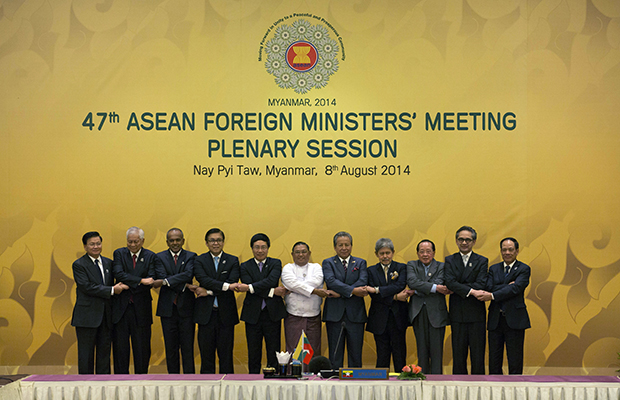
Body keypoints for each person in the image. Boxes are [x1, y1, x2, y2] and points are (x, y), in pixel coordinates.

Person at [71, 231, 128, 374]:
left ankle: (104, 386)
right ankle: (85, 388)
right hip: (86, 317)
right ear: (85, 247)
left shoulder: (109, 262)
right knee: (86, 355)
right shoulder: (79, 264)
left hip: (106, 317)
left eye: (98, 243)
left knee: (104, 354)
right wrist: (112, 290)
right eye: (92, 244)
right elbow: (86, 287)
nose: (96, 247)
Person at [473, 237, 531, 374]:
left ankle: (515, 391)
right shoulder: (494, 268)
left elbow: (516, 288)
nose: (507, 252)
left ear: (517, 251)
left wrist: (493, 295)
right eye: (504, 249)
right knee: (494, 359)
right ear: (500, 251)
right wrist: (507, 285)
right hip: (495, 319)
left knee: (515, 359)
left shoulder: (524, 268)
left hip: (515, 320)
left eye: (510, 249)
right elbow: (488, 287)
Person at [112, 226, 164, 374]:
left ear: (142, 241)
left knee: (142, 349)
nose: (133, 245)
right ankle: (120, 383)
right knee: (120, 350)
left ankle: (142, 380)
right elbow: (119, 274)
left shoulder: (151, 256)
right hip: (121, 309)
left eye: (136, 241)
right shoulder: (119, 253)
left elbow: (153, 278)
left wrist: (130, 283)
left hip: (142, 309)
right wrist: (141, 280)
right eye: (130, 242)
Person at [236, 233, 287, 373]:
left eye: (263, 247)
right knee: (253, 351)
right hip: (252, 315)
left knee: (273, 350)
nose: (260, 250)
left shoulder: (275, 263)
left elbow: (271, 280)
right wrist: (271, 292)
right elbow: (253, 284)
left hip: (273, 314)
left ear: (268, 248)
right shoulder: (244, 266)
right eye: (257, 247)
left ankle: (275, 379)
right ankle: (253, 379)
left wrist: (251, 288)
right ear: (252, 248)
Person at [193, 228, 241, 374]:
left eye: (219, 240)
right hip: (205, 315)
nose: (216, 243)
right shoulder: (199, 260)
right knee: (206, 356)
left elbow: (232, 282)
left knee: (226, 356)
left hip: (225, 314)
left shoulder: (233, 260)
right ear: (206, 243)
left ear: (223, 242)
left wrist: (208, 291)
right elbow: (203, 279)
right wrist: (225, 286)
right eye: (212, 240)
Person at [444, 226, 488, 374]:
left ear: (474, 242)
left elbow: (481, 284)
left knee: (478, 357)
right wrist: (472, 291)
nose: (464, 242)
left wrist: (460, 288)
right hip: (457, 314)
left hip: (476, 315)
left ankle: (479, 389)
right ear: (456, 241)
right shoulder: (449, 260)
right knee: (458, 356)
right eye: (461, 239)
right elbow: (449, 282)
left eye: (468, 240)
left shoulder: (482, 260)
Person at [322, 231, 368, 369]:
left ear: (351, 246)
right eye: (340, 245)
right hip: (334, 316)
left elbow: (363, 281)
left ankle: (356, 386)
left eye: (347, 244)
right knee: (335, 356)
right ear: (335, 247)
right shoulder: (328, 262)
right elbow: (331, 282)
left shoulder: (360, 262)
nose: (344, 248)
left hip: (356, 315)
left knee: (355, 355)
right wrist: (353, 291)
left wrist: (341, 293)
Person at [154, 228, 197, 374]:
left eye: (178, 240)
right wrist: (184, 284)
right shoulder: (159, 257)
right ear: (167, 242)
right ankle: (172, 380)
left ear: (183, 241)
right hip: (167, 309)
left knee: (187, 348)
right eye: (171, 240)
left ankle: (190, 380)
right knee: (170, 348)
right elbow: (160, 275)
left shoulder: (192, 256)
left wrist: (166, 281)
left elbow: (188, 274)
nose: (175, 243)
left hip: (187, 308)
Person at [407, 239, 451, 374]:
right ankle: (421, 378)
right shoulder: (411, 265)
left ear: (434, 252)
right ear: (417, 253)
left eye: (428, 251)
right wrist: (434, 288)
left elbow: (440, 282)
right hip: (418, 312)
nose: (425, 254)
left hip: (437, 313)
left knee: (437, 351)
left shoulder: (442, 266)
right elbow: (412, 282)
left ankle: (437, 382)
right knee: (422, 350)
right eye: (422, 251)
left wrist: (416, 290)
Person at [365, 238, 409, 372]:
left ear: (393, 252)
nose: (385, 256)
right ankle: (380, 385)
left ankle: (402, 383)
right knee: (382, 355)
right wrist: (395, 297)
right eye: (382, 253)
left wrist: (378, 289)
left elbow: (400, 285)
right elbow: (373, 296)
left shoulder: (401, 267)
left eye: (388, 253)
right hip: (379, 318)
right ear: (376, 254)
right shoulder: (370, 271)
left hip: (398, 318)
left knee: (399, 354)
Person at [281, 241, 327, 354]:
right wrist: (314, 291)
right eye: (297, 252)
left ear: (309, 253)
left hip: (313, 315)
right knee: (294, 351)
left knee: (312, 350)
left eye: (303, 252)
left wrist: (296, 288)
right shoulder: (288, 268)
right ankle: (295, 372)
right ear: (292, 254)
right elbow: (291, 283)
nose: (301, 255)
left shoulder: (316, 267)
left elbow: (315, 281)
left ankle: (312, 372)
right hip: (293, 315)